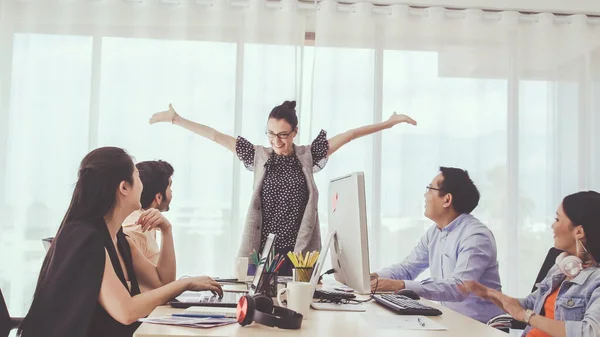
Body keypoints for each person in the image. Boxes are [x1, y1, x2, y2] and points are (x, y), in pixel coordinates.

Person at [150, 101, 416, 275]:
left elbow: (350, 135)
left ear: (295, 132)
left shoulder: (309, 155)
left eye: (282, 135)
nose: (276, 140)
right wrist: (176, 119)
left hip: (299, 255)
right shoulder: (259, 156)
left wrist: (389, 122)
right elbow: (216, 136)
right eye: (270, 133)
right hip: (262, 254)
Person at [18, 147, 222, 337]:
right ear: (124, 187)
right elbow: (126, 311)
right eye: (137, 177)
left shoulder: (120, 239)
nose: (142, 185)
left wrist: (167, 231)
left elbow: (162, 282)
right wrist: (185, 283)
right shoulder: (87, 239)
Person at [371, 167, 504, 323]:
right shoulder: (434, 232)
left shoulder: (475, 236)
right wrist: (374, 277)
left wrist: (400, 285)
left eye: (430, 189)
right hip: (449, 322)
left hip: (479, 328)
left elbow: (459, 287)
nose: (425, 195)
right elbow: (407, 269)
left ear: (447, 200)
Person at [461, 191, 600, 337]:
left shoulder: (596, 281)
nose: (552, 226)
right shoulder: (561, 269)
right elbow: (530, 305)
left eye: (557, 219)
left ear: (579, 232)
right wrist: (492, 295)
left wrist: (527, 317)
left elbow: (590, 332)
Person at [123, 160, 174, 265]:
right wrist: (167, 230)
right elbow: (163, 280)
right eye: (170, 187)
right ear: (158, 197)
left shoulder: (132, 219)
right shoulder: (140, 229)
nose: (172, 192)